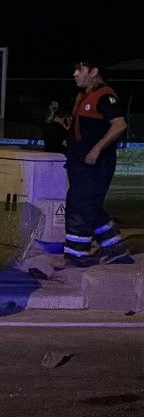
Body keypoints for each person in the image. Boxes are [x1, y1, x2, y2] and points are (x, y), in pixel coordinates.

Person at [63, 60, 132, 266]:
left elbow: (119, 125)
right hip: (79, 163)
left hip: (95, 165)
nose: (75, 74)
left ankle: (77, 255)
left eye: (80, 69)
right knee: (91, 206)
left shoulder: (105, 96)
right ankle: (116, 250)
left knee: (80, 207)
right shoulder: (81, 96)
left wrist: (97, 149)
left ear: (94, 72)